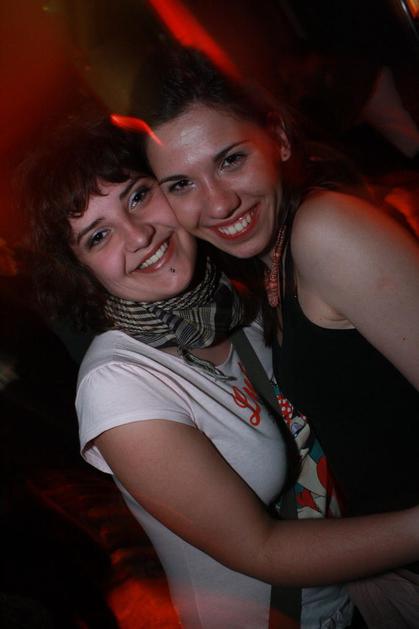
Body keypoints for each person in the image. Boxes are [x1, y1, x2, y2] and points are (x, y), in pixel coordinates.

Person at [21, 114, 419, 629]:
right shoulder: (118, 386)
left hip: (363, 596)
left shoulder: (242, 304)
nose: (138, 235)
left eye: (138, 196)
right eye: (99, 236)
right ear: (81, 272)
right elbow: (260, 550)